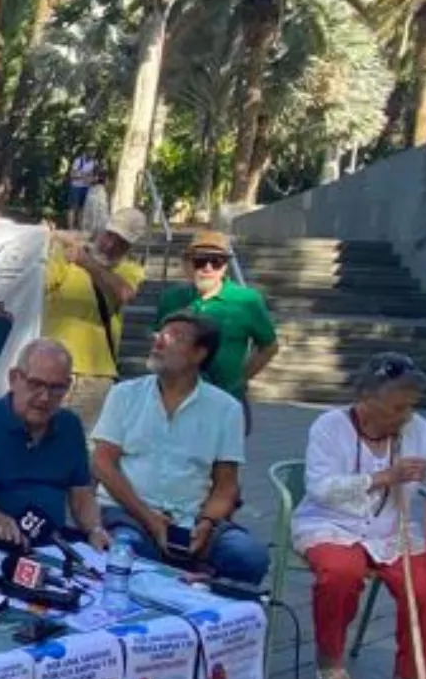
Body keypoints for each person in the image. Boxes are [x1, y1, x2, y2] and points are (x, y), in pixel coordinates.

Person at [292, 353, 426, 679]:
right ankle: (331, 662)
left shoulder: (415, 427)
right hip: (331, 524)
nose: (406, 415)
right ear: (366, 397)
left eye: (411, 405)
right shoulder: (329, 426)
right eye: (397, 405)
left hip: (393, 530)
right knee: (339, 573)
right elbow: (320, 488)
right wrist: (384, 476)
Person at [91, 311, 270, 586]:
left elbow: (226, 486)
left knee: (250, 557)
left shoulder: (226, 409)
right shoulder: (125, 394)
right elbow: (102, 463)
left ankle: (197, 588)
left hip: (189, 519)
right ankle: (177, 587)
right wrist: (149, 518)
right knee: (133, 552)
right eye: (159, 334)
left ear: (199, 354)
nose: (159, 341)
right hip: (128, 512)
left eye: (175, 337)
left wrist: (207, 523)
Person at [0, 339, 114, 550]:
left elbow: (81, 496)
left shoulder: (69, 425)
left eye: (57, 388)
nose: (45, 397)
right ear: (14, 378)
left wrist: (95, 529)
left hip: (53, 547)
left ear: (68, 387)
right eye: (36, 384)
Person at [155, 231, 280, 434]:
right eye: (200, 261)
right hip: (176, 400)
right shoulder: (171, 298)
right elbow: (158, 341)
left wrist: (241, 377)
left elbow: (269, 346)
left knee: (223, 463)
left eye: (217, 262)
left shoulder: (247, 301)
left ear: (226, 267)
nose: (208, 268)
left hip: (227, 398)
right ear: (187, 264)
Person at [42, 208, 147, 428]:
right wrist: (45, 243)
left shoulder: (129, 269)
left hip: (95, 373)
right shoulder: (66, 255)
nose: (110, 245)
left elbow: (125, 294)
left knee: (82, 444)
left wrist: (87, 262)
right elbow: (40, 283)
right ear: (101, 230)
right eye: (109, 235)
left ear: (130, 246)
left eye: (121, 242)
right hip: (49, 365)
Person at [64, 152, 99, 230]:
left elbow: (94, 177)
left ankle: (80, 227)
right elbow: (73, 174)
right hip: (76, 186)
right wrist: (85, 176)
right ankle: (71, 227)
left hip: (86, 187)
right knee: (73, 207)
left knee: (82, 208)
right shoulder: (78, 161)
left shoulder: (94, 163)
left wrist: (90, 178)